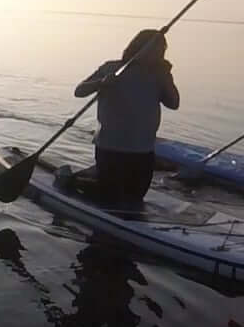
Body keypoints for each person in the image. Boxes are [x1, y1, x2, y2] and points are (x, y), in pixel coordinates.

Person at [71, 28, 180, 207]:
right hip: (111, 147)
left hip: (143, 150)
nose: (160, 55)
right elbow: (79, 91)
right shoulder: (112, 68)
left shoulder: (159, 75)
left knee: (135, 197)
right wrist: (100, 83)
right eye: (156, 50)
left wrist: (166, 77)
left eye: (162, 51)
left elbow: (174, 104)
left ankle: (92, 178)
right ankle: (76, 181)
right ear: (140, 47)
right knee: (110, 197)